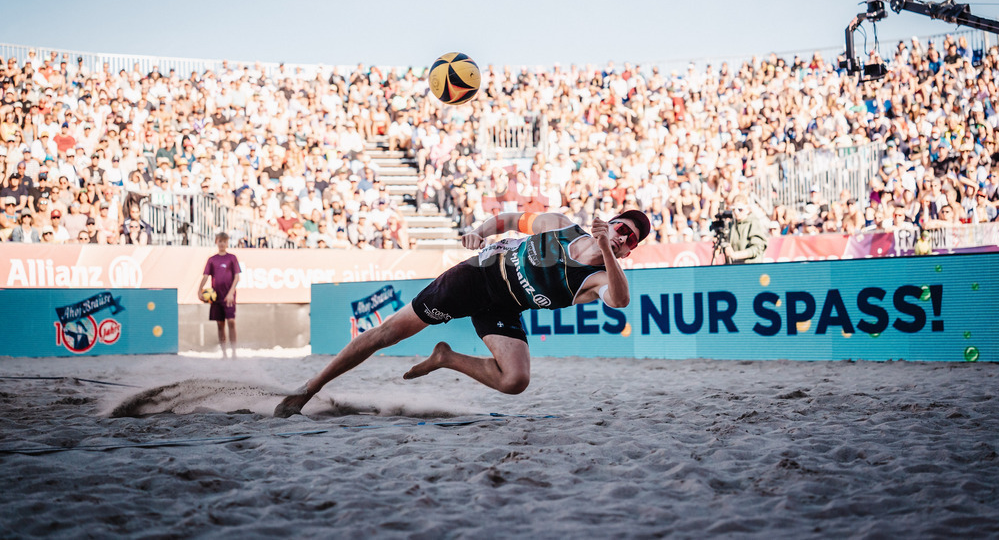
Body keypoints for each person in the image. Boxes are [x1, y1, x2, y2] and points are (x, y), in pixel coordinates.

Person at [274, 209, 650, 417]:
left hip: (504, 307)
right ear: (610, 219)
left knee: (515, 381)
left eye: (630, 240)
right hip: (475, 278)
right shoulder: (561, 226)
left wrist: (605, 245)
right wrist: (478, 229)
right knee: (387, 334)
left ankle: (446, 357)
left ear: (630, 252)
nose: (623, 237)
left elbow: (619, 302)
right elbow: (510, 220)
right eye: (622, 228)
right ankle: (310, 389)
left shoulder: (599, 278)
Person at [197, 232, 242, 359]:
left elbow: (237, 277)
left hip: (228, 295)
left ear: (227, 243)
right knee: (220, 324)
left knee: (231, 322)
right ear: (216, 242)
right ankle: (224, 353)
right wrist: (199, 290)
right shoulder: (212, 259)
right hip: (216, 295)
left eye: (224, 241)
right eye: (220, 241)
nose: (222, 244)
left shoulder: (232, 258)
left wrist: (230, 293)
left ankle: (234, 352)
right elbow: (205, 276)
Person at [722, 195, 768, 264]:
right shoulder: (731, 224)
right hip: (734, 267)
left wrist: (735, 255)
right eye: (734, 209)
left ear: (748, 209)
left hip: (751, 266)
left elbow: (757, 248)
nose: (736, 212)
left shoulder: (753, 222)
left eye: (740, 209)